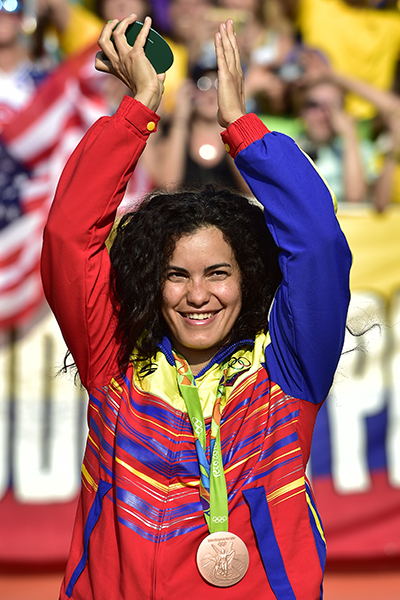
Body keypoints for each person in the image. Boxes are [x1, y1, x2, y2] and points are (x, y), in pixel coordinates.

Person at [41, 15, 352, 599]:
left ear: (249, 279)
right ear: (150, 284)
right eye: (175, 275)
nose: (198, 295)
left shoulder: (287, 372)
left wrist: (242, 129)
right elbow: (66, 237)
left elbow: (318, 245)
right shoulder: (115, 368)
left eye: (218, 274)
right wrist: (140, 108)